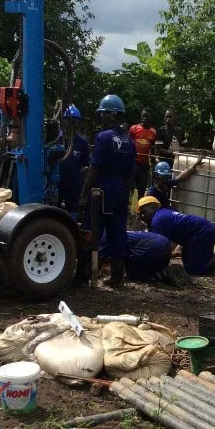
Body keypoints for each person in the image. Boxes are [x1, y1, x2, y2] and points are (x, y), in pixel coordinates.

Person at [79, 94, 136, 288]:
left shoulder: (103, 137)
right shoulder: (130, 142)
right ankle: (117, 277)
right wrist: (126, 195)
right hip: (121, 190)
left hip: (102, 190)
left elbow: (95, 168)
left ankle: (84, 275)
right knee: (118, 232)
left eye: (103, 114)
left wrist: (84, 193)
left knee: (91, 230)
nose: (101, 117)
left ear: (113, 114)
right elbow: (129, 174)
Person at [137, 196, 215, 275]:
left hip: (201, 232)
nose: (142, 216)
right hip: (199, 232)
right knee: (190, 263)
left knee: (194, 269)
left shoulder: (158, 221)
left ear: (153, 208)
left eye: (144, 212)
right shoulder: (162, 214)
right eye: (140, 214)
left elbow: (160, 248)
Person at [122, 231, 192, 287]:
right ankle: (165, 273)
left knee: (133, 276)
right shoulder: (127, 233)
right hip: (165, 242)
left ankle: (159, 275)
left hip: (151, 247)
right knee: (157, 270)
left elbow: (118, 256)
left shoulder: (117, 238)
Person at [57, 104, 90, 214]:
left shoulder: (82, 142)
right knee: (54, 208)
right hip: (57, 181)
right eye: (69, 121)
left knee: (73, 210)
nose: (72, 124)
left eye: (75, 121)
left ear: (79, 123)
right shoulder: (56, 139)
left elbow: (85, 163)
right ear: (64, 121)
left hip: (74, 182)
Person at [129, 108, 157, 199]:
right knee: (128, 187)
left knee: (141, 190)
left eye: (147, 117)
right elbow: (128, 145)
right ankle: (127, 206)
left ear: (150, 118)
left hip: (144, 166)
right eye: (143, 116)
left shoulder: (153, 132)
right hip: (132, 163)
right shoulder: (134, 128)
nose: (144, 118)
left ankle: (140, 207)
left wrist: (153, 165)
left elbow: (153, 150)